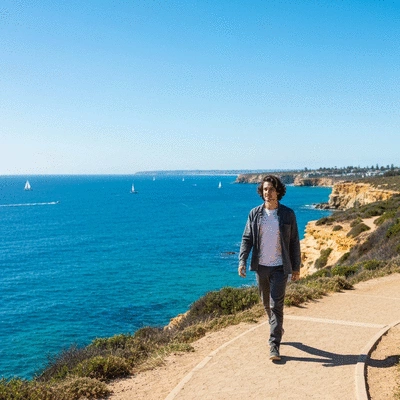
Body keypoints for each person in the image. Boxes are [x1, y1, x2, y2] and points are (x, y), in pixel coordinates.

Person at [238, 174, 301, 361]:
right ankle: (277, 326)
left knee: (276, 306)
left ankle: (274, 345)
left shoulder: (288, 214)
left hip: (280, 267)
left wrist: (296, 267)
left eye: (271, 189)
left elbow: (294, 243)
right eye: (265, 189)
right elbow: (247, 238)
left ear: (278, 191)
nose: (268, 192)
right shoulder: (254, 214)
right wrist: (242, 261)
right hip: (261, 266)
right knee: (266, 304)